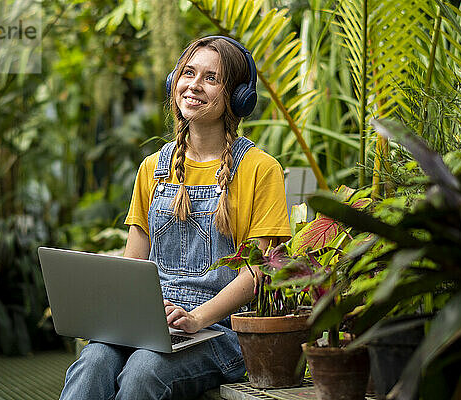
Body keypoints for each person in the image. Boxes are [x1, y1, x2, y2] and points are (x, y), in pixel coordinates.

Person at [59, 36, 292, 400]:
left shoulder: (261, 170)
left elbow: (258, 272)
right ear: (174, 81)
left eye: (211, 79)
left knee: (144, 371)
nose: (194, 86)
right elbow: (131, 265)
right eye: (188, 73)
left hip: (223, 331)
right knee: (93, 362)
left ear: (237, 97)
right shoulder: (153, 169)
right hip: (152, 326)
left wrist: (197, 318)